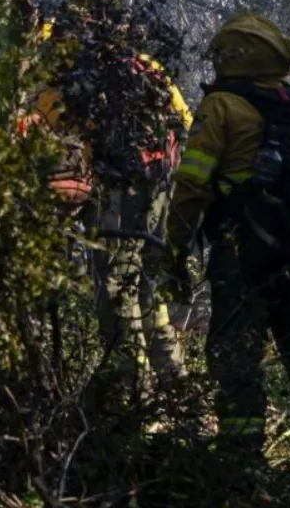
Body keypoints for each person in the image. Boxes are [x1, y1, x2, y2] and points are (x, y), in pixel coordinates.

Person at [159, 11, 290, 497]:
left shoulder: (223, 108)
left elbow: (192, 183)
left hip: (244, 256)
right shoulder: (288, 101)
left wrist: (172, 248)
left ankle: (242, 474)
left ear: (233, 57)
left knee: (237, 362)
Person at [20, 21, 192, 399]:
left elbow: (47, 149)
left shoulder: (65, 82)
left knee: (116, 290)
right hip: (163, 185)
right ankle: (177, 389)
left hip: (121, 190)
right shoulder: (147, 66)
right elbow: (186, 125)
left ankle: (131, 395)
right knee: (147, 288)